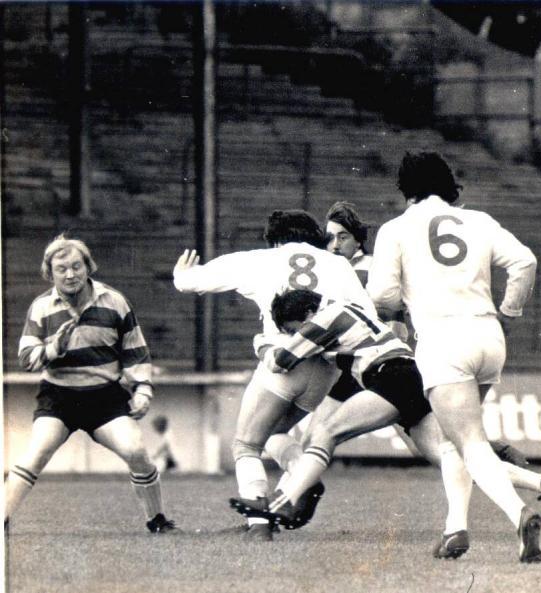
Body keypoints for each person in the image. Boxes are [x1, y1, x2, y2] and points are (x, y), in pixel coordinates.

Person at [229, 290, 541, 550]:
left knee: (325, 431)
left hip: (390, 377)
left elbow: (283, 360)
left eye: (296, 327)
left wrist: (264, 343)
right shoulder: (352, 312)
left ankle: (283, 500)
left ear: (306, 312)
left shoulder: (324, 317)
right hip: (410, 376)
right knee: (451, 457)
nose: (298, 332)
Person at [366, 152, 541, 563]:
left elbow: (380, 296)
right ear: (449, 184)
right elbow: (525, 261)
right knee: (454, 440)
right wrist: (511, 309)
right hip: (488, 333)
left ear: (405, 188)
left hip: (444, 337)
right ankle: (455, 529)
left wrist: (400, 309)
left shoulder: (395, 229)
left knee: (469, 442)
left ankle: (519, 514)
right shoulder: (478, 221)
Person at [173, 209, 375, 540]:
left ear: (275, 239)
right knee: (275, 434)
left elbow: (192, 282)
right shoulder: (338, 264)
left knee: (245, 445)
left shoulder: (262, 260)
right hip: (325, 370)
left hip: (284, 361)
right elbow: (364, 314)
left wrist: (181, 274)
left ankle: (259, 525)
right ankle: (301, 477)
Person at [6, 234, 176, 533]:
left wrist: (143, 389)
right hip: (58, 397)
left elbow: (136, 351)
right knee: (38, 451)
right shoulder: (41, 308)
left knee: (135, 450)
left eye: (76, 266)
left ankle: (157, 520)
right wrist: (52, 350)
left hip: (104, 398)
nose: (70, 274)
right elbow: (27, 358)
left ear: (88, 267)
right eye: (62, 269)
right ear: (50, 273)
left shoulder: (115, 301)